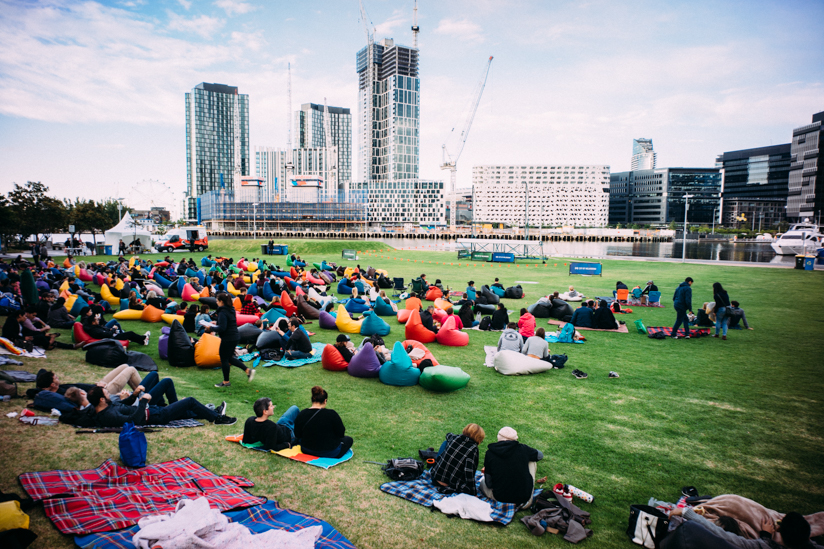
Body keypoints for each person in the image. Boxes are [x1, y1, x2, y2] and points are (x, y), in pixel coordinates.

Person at [666, 506, 823, 549]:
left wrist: (687, 513)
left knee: (692, 528)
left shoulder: (759, 546)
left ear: (780, 531)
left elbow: (722, 535)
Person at [88, 386, 235, 427]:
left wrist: (134, 395)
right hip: (157, 416)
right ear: (101, 399)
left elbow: (122, 405)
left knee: (184, 408)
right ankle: (217, 418)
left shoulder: (106, 407)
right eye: (106, 393)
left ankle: (210, 412)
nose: (109, 394)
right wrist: (143, 401)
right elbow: (134, 421)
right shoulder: (109, 415)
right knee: (189, 401)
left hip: (153, 411)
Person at [480, 427, 544, 508]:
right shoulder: (523, 449)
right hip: (524, 499)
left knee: (482, 482)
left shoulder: (490, 453)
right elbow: (540, 455)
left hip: (500, 498)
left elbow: (489, 484)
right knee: (532, 460)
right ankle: (526, 486)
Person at [294, 386, 352, 459]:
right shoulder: (332, 414)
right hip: (330, 452)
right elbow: (341, 434)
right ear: (325, 401)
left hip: (306, 449)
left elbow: (297, 434)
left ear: (312, 400)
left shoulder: (302, 414)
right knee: (349, 439)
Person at [212, 292, 255, 388]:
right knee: (230, 357)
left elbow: (222, 328)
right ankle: (247, 370)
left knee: (224, 359)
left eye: (217, 301)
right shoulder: (231, 310)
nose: (216, 302)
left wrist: (211, 328)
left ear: (221, 302)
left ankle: (226, 381)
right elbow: (227, 323)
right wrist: (216, 323)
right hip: (235, 336)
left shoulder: (222, 312)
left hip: (228, 338)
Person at [430, 423, 485, 496]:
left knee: (446, 442)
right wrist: (473, 492)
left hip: (435, 478)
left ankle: (438, 465)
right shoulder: (473, 449)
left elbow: (448, 434)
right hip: (451, 485)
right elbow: (469, 472)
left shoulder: (454, 437)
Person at [84, 314, 149, 345]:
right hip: (111, 339)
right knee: (130, 333)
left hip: (111, 336)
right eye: (96, 319)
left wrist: (110, 329)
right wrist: (113, 329)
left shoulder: (94, 327)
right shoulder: (94, 330)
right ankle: (144, 337)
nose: (98, 320)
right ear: (93, 322)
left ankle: (142, 342)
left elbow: (104, 331)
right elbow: (107, 335)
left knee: (129, 334)